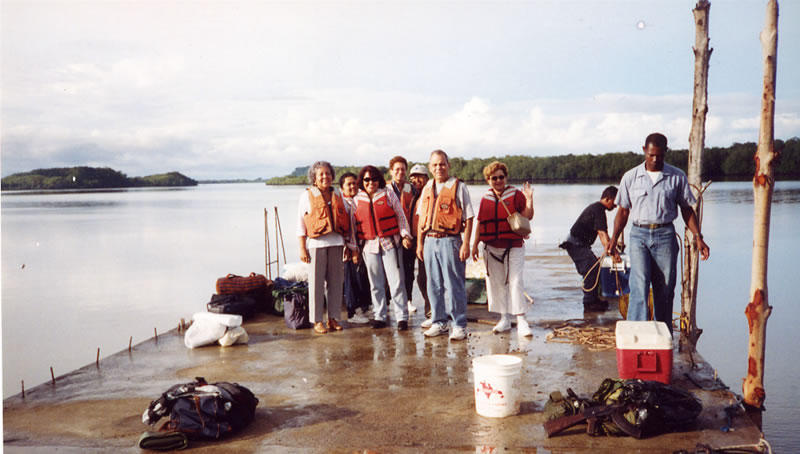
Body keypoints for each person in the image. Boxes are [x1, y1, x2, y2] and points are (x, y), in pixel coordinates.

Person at [607, 133, 710, 333]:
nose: (655, 159)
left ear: (665, 152)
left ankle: (662, 334)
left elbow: (687, 209)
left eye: (659, 155)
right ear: (644, 150)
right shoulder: (630, 177)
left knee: (665, 288)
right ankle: (636, 334)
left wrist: (698, 237)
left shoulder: (677, 176)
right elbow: (623, 212)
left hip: (665, 235)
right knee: (639, 284)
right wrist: (613, 239)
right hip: (639, 235)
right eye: (651, 155)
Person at [470, 161, 534, 337]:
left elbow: (528, 216)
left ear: (506, 178)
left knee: (515, 281)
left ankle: (521, 320)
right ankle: (504, 318)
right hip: (491, 248)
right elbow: (480, 223)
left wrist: (529, 200)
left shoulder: (516, 195)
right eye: (494, 178)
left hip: (513, 246)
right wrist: (474, 245)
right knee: (496, 284)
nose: (498, 181)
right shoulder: (485, 198)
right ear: (488, 180)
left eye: (501, 177)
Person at [415, 150, 475, 341]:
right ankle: (439, 322)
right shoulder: (427, 188)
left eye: (442, 164)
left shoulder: (459, 187)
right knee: (433, 285)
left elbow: (469, 217)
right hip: (430, 240)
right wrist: (419, 243)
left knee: (454, 284)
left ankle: (459, 325)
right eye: (435, 165)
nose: (438, 168)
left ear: (448, 165)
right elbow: (421, 218)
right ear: (430, 167)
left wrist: (466, 244)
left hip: (451, 240)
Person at [297, 161, 356, 334]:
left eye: (328, 173)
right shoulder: (306, 196)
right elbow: (300, 224)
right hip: (316, 244)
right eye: (321, 174)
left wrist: (348, 244)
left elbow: (346, 219)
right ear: (314, 178)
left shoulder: (338, 194)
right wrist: (302, 248)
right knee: (316, 284)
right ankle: (317, 320)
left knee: (336, 283)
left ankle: (333, 318)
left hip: (337, 243)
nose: (325, 177)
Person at [354, 165, 414, 330]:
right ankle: (379, 316)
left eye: (374, 179)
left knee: (396, 281)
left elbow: (401, 216)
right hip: (369, 246)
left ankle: (401, 317)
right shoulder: (357, 199)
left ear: (378, 180)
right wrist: (353, 248)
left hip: (390, 243)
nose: (370, 182)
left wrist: (405, 235)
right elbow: (353, 225)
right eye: (367, 179)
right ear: (362, 181)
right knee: (375, 283)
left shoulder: (388, 193)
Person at [559, 186, 619, 312]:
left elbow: (604, 234)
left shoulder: (598, 208)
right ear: (608, 199)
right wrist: (612, 253)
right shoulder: (598, 210)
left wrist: (613, 247)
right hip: (575, 244)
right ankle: (589, 303)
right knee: (591, 269)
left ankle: (594, 299)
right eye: (615, 202)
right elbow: (602, 234)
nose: (616, 206)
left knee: (594, 266)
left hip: (578, 243)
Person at [339, 172, 371, 324]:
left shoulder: (358, 201)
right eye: (348, 184)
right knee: (351, 280)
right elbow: (348, 230)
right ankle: (353, 313)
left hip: (361, 246)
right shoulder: (343, 204)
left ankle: (364, 308)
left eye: (354, 183)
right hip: (349, 249)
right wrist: (352, 249)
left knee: (362, 278)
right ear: (342, 188)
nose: (352, 186)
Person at [388, 156, 418, 315]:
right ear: (391, 171)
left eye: (403, 169)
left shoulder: (412, 189)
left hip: (409, 235)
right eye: (397, 169)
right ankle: (388, 301)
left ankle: (408, 300)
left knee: (408, 269)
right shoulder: (384, 189)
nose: (400, 172)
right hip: (391, 235)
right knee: (390, 270)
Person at [408, 164, 431, 321]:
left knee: (425, 278)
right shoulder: (415, 195)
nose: (416, 180)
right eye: (413, 178)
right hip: (415, 240)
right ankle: (430, 310)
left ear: (426, 178)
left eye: (420, 177)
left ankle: (432, 312)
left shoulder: (430, 194)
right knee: (420, 278)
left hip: (427, 241)